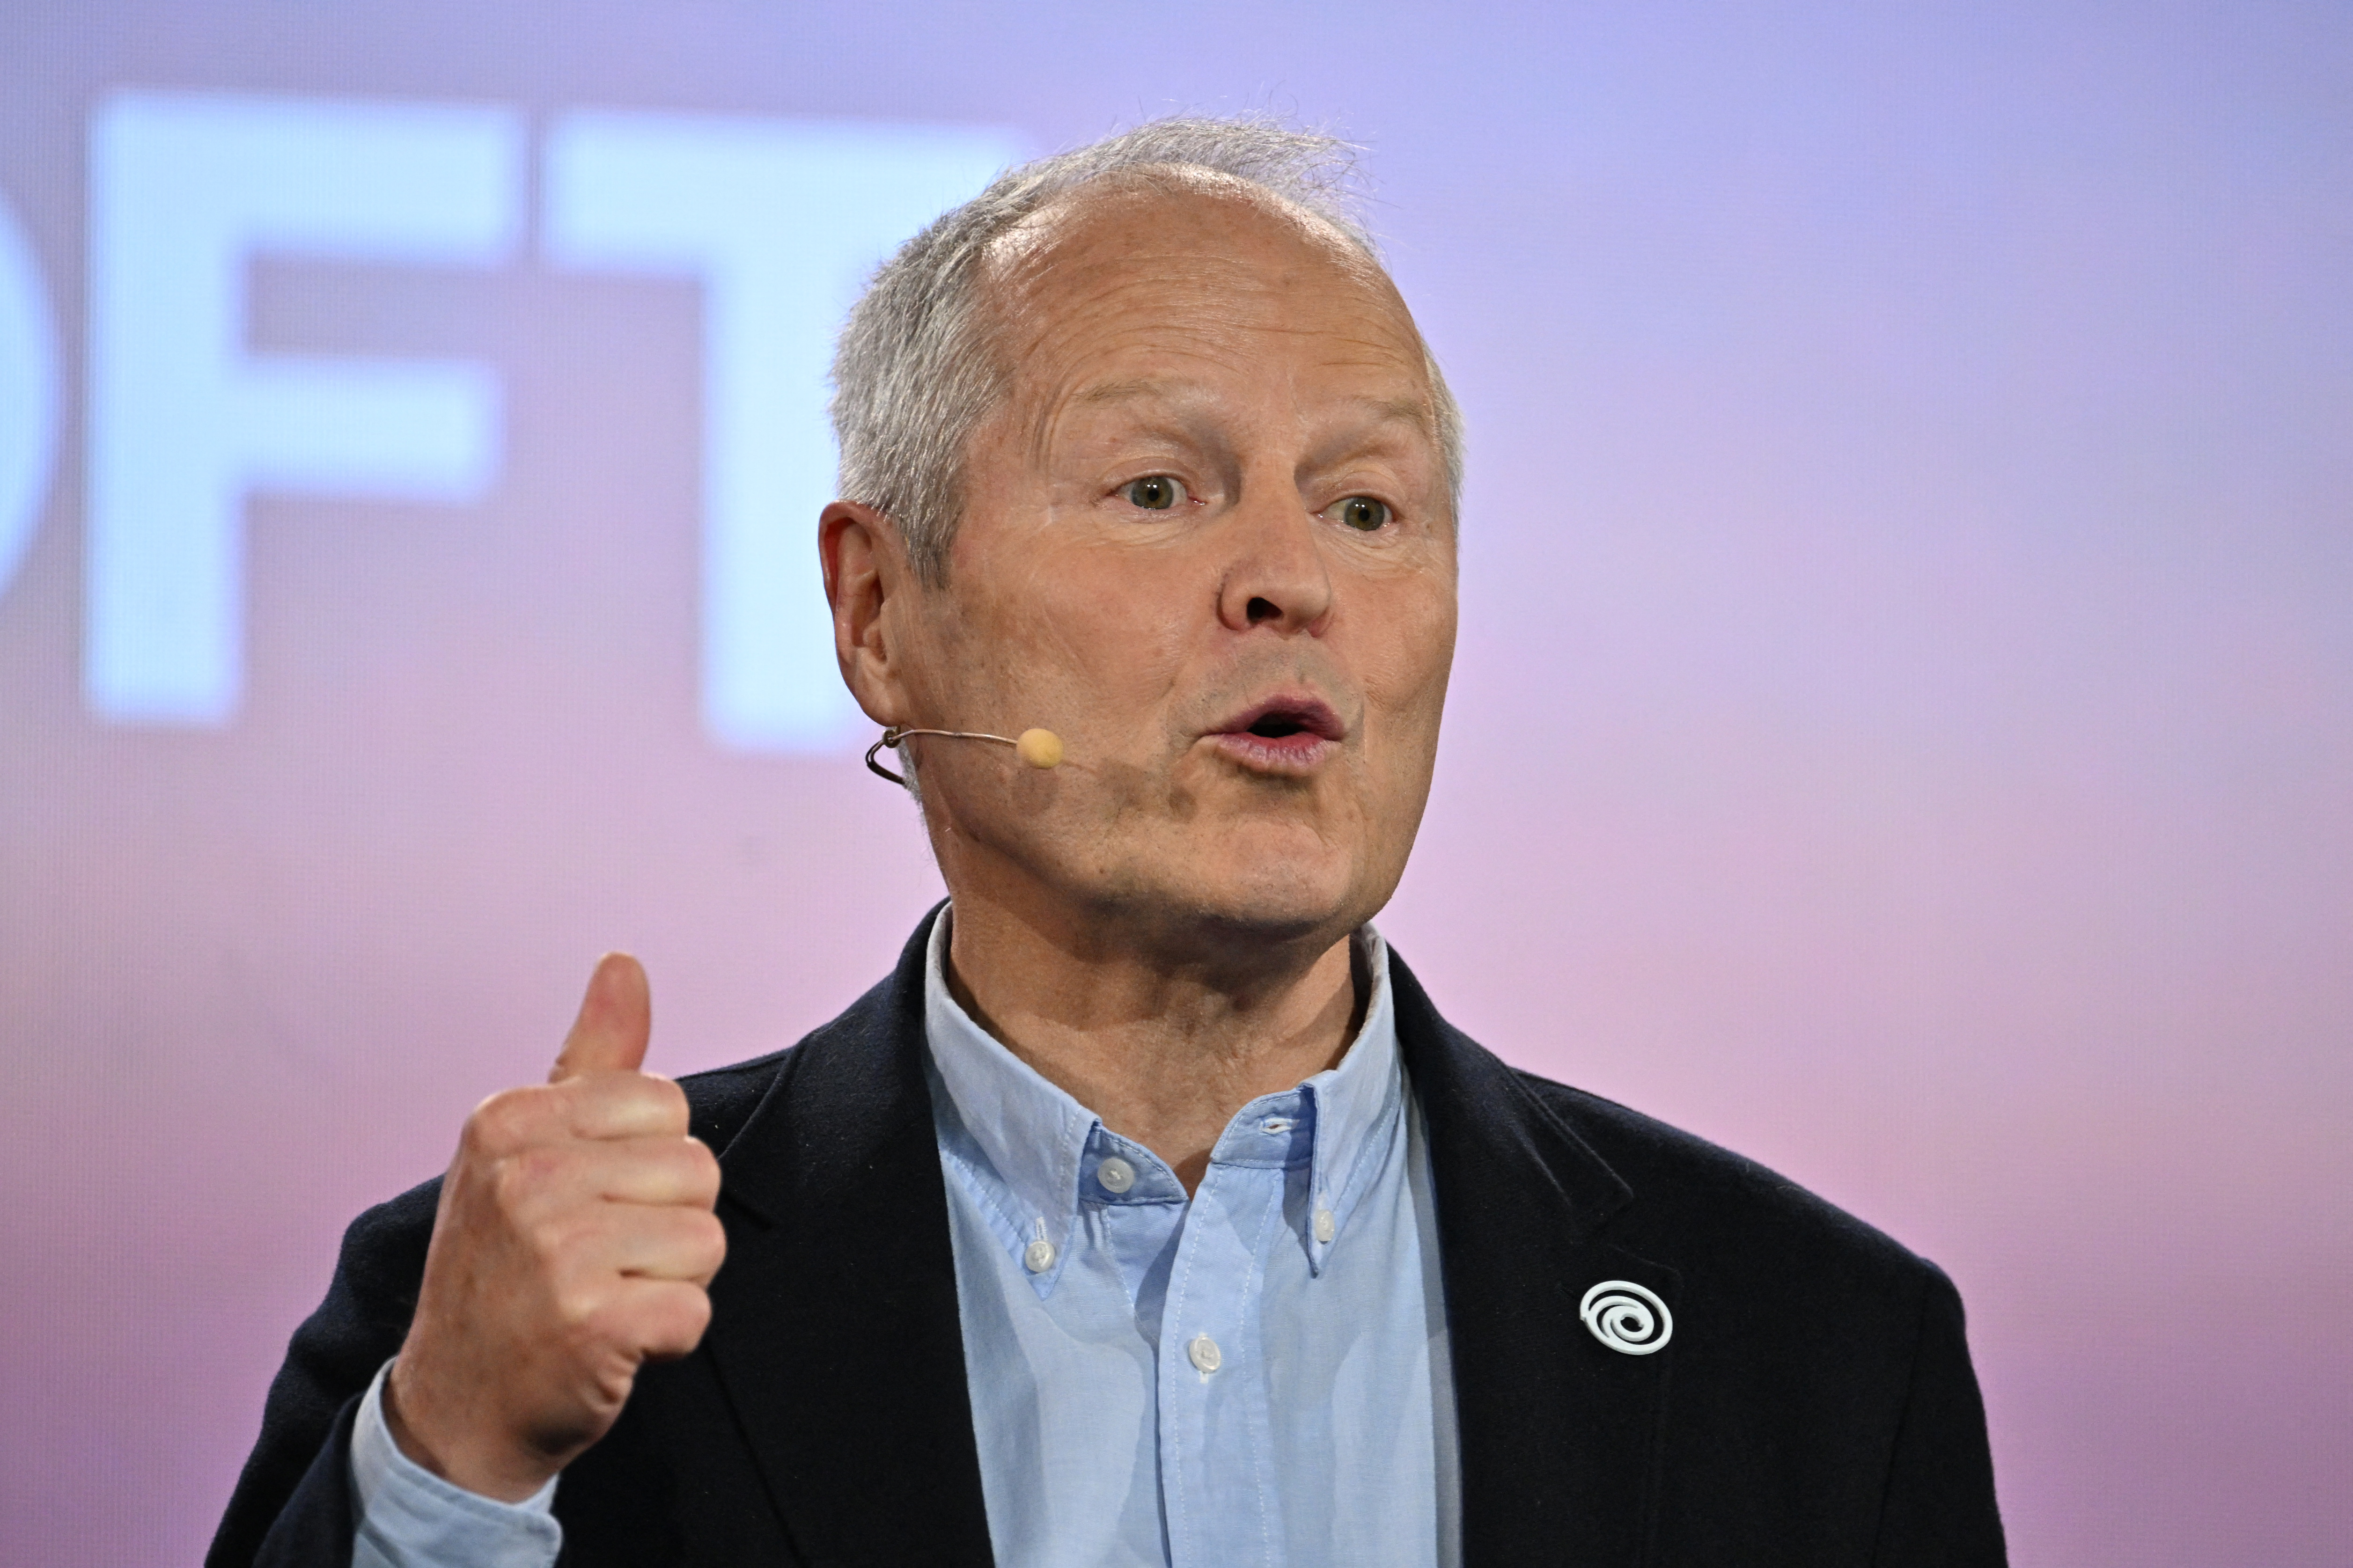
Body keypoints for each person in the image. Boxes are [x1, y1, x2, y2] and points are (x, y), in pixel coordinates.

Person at [209, 117, 2006, 1568]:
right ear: (877, 614)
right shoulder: (530, 1305)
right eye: (1159, 488)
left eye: (1369, 506)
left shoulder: (1821, 1352)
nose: (1290, 580)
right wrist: (452, 1477)